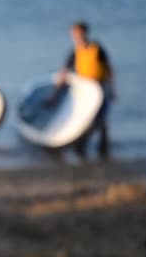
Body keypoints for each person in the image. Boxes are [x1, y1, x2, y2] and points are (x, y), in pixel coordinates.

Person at [48, 21, 116, 157]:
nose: (76, 35)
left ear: (85, 32)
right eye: (74, 33)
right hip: (86, 91)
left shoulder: (97, 49)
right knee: (90, 118)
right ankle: (83, 145)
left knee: (101, 119)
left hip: (100, 87)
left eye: (79, 32)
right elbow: (64, 72)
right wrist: (53, 95)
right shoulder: (75, 51)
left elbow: (109, 70)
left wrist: (112, 89)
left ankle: (103, 147)